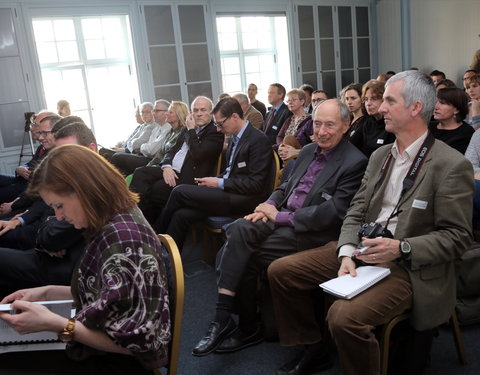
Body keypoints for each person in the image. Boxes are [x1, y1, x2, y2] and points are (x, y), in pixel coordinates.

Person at [268, 70, 474, 375]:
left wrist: (401, 247)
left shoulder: (451, 164)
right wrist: (346, 251)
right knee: (281, 271)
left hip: (411, 266)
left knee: (342, 317)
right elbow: (355, 211)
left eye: (389, 100)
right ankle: (315, 347)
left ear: (416, 107)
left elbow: (457, 238)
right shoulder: (379, 157)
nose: (380, 107)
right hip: (364, 250)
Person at [191, 99, 368, 357]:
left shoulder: (355, 162)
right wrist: (267, 204)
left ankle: (238, 324)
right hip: (279, 219)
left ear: (346, 125)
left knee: (237, 248)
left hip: (310, 233)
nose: (321, 131)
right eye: (317, 124)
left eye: (330, 125)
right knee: (239, 230)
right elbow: (284, 188)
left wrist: (279, 216)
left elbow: (331, 214)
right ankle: (225, 318)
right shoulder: (307, 151)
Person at [0, 145, 171, 374]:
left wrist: (60, 325)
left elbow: (142, 348)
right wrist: (48, 292)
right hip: (101, 341)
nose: (59, 216)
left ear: (84, 190)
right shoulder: (114, 218)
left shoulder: (123, 241)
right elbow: (107, 293)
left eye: (59, 206)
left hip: (117, 362)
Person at [159, 97, 273, 250]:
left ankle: (154, 241)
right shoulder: (236, 137)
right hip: (230, 192)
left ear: (234, 116)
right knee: (181, 214)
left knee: (179, 191)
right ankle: (168, 259)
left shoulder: (258, 140)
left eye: (220, 124)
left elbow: (256, 185)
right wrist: (215, 179)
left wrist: (219, 183)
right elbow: (231, 171)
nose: (218, 129)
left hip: (245, 200)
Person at [0, 122, 97, 298]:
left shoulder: (91, 190)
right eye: (58, 156)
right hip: (55, 260)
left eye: (70, 154)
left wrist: (49, 238)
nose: (62, 163)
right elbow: (47, 220)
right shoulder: (73, 182)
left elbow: (50, 236)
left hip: (68, 270)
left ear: (91, 149)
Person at [131, 96, 224, 224]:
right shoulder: (187, 129)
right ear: (191, 113)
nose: (199, 114)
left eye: (203, 110)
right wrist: (167, 166)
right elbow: (171, 150)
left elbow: (198, 154)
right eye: (195, 110)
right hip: (172, 170)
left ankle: (148, 227)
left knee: (153, 191)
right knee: (140, 172)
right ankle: (135, 218)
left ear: (211, 112)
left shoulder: (214, 131)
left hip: (188, 177)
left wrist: (191, 130)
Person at [0, 111, 56, 204]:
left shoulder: (54, 151)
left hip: (27, 188)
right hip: (20, 180)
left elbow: (42, 182)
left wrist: (13, 205)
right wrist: (20, 168)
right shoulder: (41, 147)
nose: (31, 128)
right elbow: (31, 164)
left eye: (35, 125)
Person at [109, 100, 172, 175]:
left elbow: (150, 150)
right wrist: (145, 148)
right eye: (153, 111)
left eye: (156, 111)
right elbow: (136, 144)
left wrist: (143, 148)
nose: (153, 113)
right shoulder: (156, 128)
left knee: (117, 157)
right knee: (110, 155)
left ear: (166, 112)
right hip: (146, 157)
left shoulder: (167, 128)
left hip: (152, 161)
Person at [350, 80, 396, 157]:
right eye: (366, 99)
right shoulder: (366, 122)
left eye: (374, 99)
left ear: (384, 99)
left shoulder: (392, 123)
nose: (368, 104)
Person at [430, 88, 473, 154]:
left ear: (456, 110)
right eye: (436, 102)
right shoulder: (427, 126)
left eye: (443, 103)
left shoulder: (466, 133)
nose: (436, 106)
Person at [276, 89, 313, 162]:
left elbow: (306, 140)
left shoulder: (310, 119)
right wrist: (281, 145)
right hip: (284, 150)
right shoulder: (289, 119)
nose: (290, 103)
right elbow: (279, 136)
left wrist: (289, 147)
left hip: (300, 153)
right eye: (288, 101)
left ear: (302, 101)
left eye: (293, 100)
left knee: (288, 139)